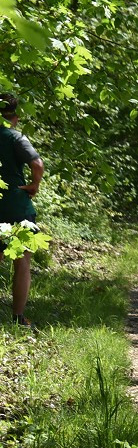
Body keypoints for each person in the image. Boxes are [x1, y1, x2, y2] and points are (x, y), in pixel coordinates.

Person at [0, 94, 44, 328]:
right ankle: (18, 318)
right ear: (15, 116)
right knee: (22, 259)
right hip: (16, 205)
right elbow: (37, 164)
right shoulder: (15, 137)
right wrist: (34, 185)